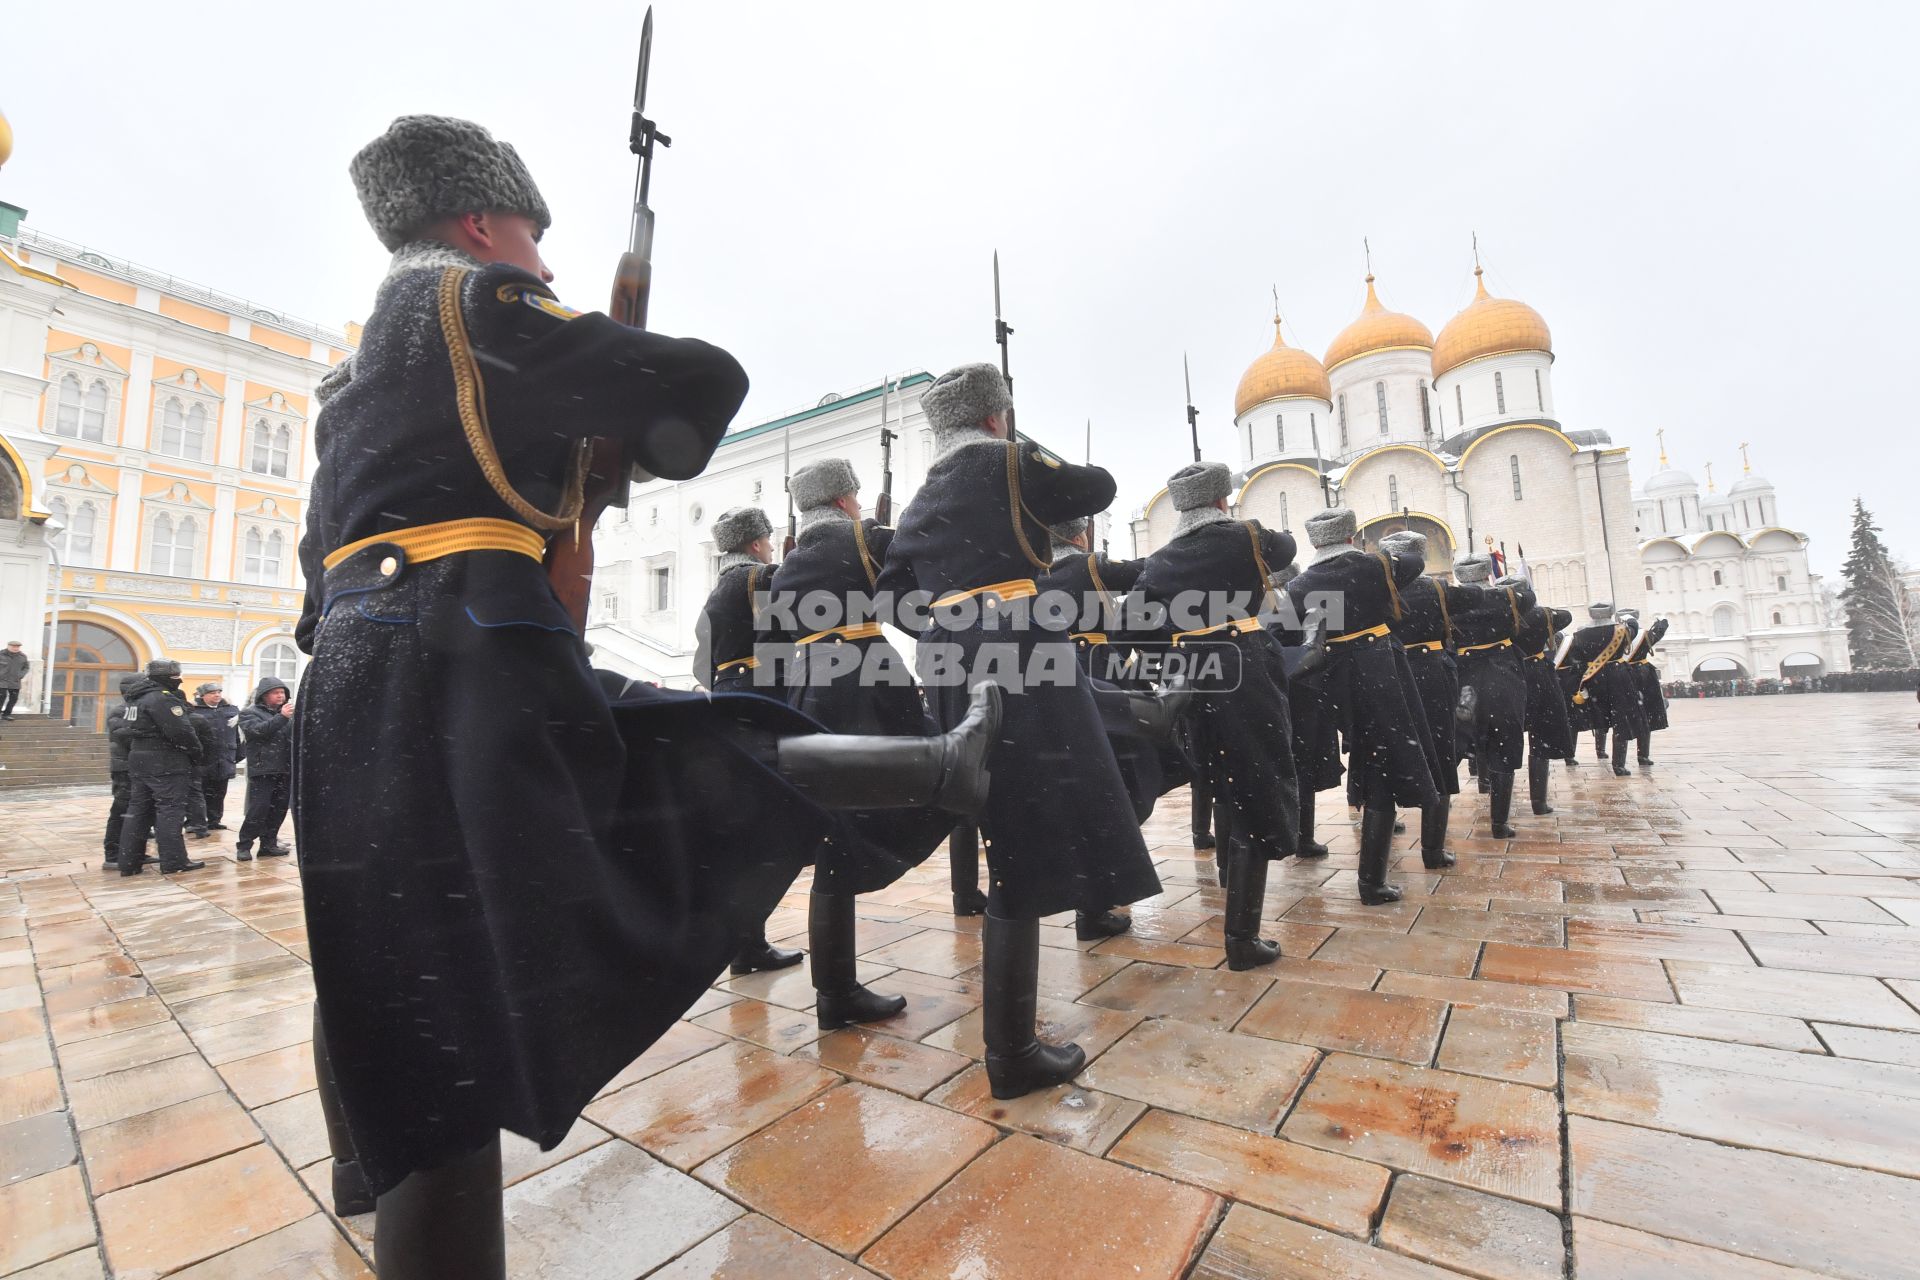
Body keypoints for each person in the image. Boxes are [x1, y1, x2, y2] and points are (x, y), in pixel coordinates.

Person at [294, 116, 1000, 1276]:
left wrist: (575, 465)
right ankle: (937, 770)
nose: (547, 262)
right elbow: (698, 380)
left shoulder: (355, 374)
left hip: (362, 678)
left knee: (397, 979)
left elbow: (339, 559)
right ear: (479, 224)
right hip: (467, 657)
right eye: (531, 232)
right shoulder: (476, 303)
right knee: (696, 763)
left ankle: (366, 1169)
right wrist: (605, 427)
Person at [878, 362, 1161, 1098]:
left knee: (1005, 826)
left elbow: (892, 597)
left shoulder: (918, 502)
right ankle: (1010, 1055)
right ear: (997, 417)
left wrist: (951, 621)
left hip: (947, 660)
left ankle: (1010, 1047)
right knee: (1030, 837)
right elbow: (1094, 488)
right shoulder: (1007, 462)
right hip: (1020, 650)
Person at [761, 457, 972, 1027]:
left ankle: (834, 994)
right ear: (845, 499)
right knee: (944, 777)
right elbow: (910, 598)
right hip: (863, 681)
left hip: (812, 686)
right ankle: (842, 989)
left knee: (834, 837)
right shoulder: (861, 540)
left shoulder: (787, 566)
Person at [1133, 462, 1299, 968]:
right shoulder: (1246, 537)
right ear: (1222, 500)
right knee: (1255, 785)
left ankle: (1233, 888)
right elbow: (1287, 550)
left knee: (1222, 778)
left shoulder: (1159, 561)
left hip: (1193, 676)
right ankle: (1242, 938)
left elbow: (1130, 634)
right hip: (1243, 668)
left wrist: (1175, 652)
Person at [1285, 509, 1440, 905]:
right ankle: (1371, 882)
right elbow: (1414, 561)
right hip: (1378, 669)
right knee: (1383, 770)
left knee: (1369, 761)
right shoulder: (1375, 566)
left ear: (1315, 542)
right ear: (1351, 536)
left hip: (1330, 680)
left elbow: (1286, 631)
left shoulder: (1302, 583)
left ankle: (1368, 874)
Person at [695, 504, 803, 976]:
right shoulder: (757, 579)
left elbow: (702, 664)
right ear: (756, 543)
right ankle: (747, 945)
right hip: (760, 705)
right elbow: (798, 622)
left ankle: (746, 944)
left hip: (731, 706)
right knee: (765, 827)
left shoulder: (718, 591)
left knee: (746, 826)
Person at [1378, 531, 1481, 868]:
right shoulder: (1436, 590)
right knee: (1438, 756)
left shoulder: (1375, 589)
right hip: (1430, 677)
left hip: (1387, 672)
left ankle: (1384, 829)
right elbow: (1477, 597)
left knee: (1386, 753)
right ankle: (1432, 851)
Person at [1450, 558, 1535, 839]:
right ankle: (1499, 823)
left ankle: (1437, 823)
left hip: (1464, 683)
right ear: (1488, 574)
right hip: (1503, 677)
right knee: (1504, 745)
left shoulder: (1449, 600)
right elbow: (1530, 598)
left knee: (1453, 747)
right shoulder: (1508, 597)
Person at [116, 659, 206, 876]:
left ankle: (129, 861)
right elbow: (181, 732)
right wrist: (196, 753)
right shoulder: (162, 699)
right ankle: (174, 860)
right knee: (170, 810)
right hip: (165, 761)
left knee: (138, 811)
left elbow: (124, 732)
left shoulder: (134, 700)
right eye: (175, 676)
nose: (179, 680)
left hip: (139, 759)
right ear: (165, 678)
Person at [1512, 590, 1577, 815]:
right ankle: (1538, 802)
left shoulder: (1502, 616)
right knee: (1540, 740)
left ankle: (1494, 793)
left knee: (1501, 738)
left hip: (1510, 674)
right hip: (1539, 676)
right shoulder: (1541, 616)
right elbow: (1566, 617)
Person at [1562, 603, 1634, 776]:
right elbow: (1635, 628)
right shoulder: (1622, 630)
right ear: (1610, 613)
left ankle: (1596, 751)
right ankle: (1618, 765)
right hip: (1617, 677)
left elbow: (1576, 657)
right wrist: (1628, 618)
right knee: (1620, 720)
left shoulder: (1580, 634)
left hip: (1593, 678)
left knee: (1600, 716)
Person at [236, 677, 294, 860]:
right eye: (276, 693)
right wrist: (282, 717)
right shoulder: (249, 713)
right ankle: (244, 845)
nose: (281, 696)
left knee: (279, 809)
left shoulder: (287, 715)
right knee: (258, 810)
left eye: (283, 692)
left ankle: (268, 845)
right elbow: (257, 731)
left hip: (284, 769)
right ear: (264, 695)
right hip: (263, 770)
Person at [102, 673, 144, 870]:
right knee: (121, 810)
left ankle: (133, 851)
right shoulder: (122, 711)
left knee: (135, 813)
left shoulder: (134, 709)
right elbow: (124, 736)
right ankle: (112, 854)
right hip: (125, 769)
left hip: (135, 767)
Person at [188, 683, 240, 832]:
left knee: (219, 792)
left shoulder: (231, 709)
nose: (217, 695)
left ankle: (214, 820)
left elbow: (238, 734)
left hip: (224, 758)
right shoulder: (194, 710)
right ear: (202, 695)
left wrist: (237, 754)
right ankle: (195, 821)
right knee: (199, 792)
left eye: (218, 692)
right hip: (203, 759)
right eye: (212, 693)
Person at [1626, 616, 1671, 764]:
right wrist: (1660, 626)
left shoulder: (1617, 637)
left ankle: (1618, 761)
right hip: (1643, 675)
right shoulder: (1644, 636)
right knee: (1646, 719)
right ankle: (1643, 756)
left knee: (1623, 721)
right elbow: (1657, 635)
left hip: (1624, 674)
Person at [0, 641, 27, 719]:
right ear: (8, 646)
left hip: (15, 681)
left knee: (14, 698)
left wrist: (20, 675)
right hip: (2, 681)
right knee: (2, 696)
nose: (15, 648)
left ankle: (6, 714)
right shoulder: (1, 655)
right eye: (13, 646)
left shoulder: (22, 656)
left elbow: (26, 667)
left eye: (17, 647)